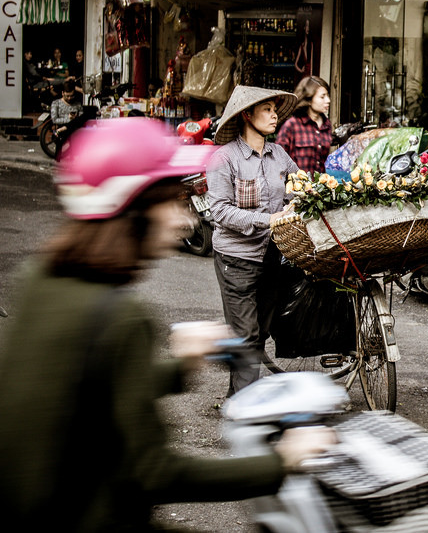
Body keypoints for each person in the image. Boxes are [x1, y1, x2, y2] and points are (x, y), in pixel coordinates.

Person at [0, 118, 334, 530]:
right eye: (171, 204)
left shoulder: (40, 279)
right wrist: (280, 461)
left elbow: (87, 384)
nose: (184, 221)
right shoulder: (121, 317)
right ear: (134, 211)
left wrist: (183, 365)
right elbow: (155, 472)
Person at [207, 85, 299, 395]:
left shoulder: (279, 154)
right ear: (248, 115)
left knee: (257, 335)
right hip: (237, 259)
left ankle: (238, 399)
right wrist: (267, 219)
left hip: (271, 256)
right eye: (267, 110)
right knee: (246, 334)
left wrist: (298, 198)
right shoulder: (224, 158)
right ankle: (246, 412)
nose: (275, 115)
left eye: (275, 109)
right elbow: (220, 211)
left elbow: (298, 186)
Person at [276, 75, 333, 172]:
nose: (328, 100)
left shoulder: (326, 125)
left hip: (319, 186)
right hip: (298, 185)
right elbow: (277, 161)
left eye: (327, 96)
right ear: (309, 99)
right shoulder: (292, 125)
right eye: (322, 97)